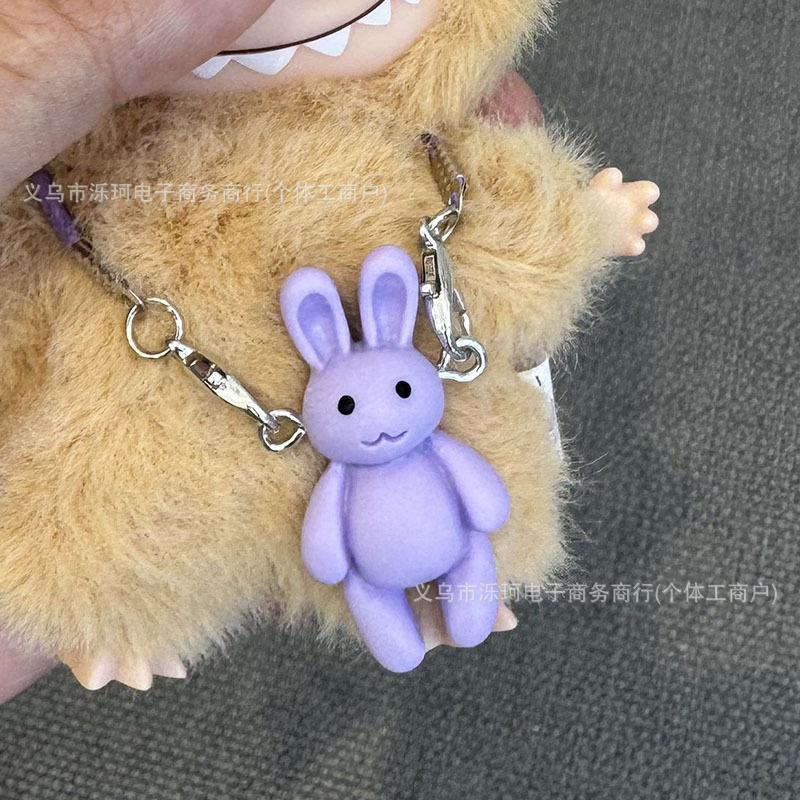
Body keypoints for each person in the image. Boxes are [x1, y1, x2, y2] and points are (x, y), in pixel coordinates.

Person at [0, 0, 543, 704]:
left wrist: (580, 220)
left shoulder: (412, 147)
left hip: (313, 355)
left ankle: (468, 598)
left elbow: (513, 227)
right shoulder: (82, 166)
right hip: (134, 372)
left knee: (494, 434)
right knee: (98, 480)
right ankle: (96, 615)